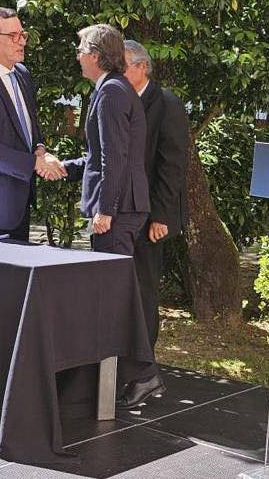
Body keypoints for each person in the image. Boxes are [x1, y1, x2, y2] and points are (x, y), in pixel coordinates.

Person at [115, 39, 191, 409]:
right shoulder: (120, 98)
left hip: (150, 219)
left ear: (142, 67)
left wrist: (160, 216)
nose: (118, 72)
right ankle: (124, 369)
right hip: (123, 215)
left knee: (143, 294)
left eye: (123, 66)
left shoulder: (167, 103)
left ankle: (144, 376)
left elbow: (172, 166)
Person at [0, 7, 65, 241]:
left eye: (22, 34)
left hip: (19, 201)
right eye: (13, 36)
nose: (22, 41)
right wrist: (34, 163)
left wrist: (40, 149)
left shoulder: (22, 74)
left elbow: (29, 125)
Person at [63, 24, 150, 256]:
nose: (78, 57)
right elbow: (105, 153)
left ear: (94, 55)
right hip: (122, 206)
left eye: (80, 51)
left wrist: (106, 210)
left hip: (119, 209)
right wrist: (64, 168)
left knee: (111, 278)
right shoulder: (114, 87)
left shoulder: (112, 91)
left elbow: (114, 156)